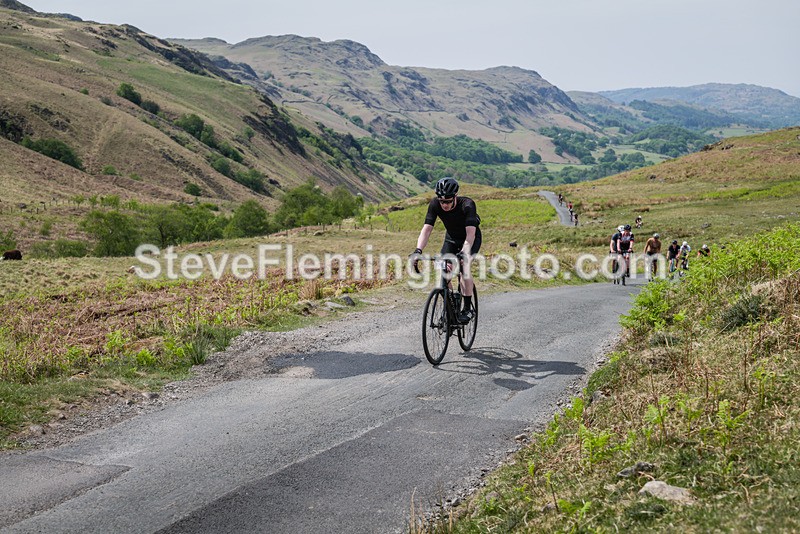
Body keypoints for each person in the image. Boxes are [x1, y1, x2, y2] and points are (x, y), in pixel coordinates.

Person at [412, 177, 481, 323]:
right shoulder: (434, 204)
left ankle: (467, 309)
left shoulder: (467, 205)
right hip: (451, 238)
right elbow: (427, 230)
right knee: (442, 267)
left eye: (448, 201)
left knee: (464, 267)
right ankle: (451, 300)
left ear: (455, 196)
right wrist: (418, 250)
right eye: (442, 201)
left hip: (470, 239)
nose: (444, 205)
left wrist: (464, 253)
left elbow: (470, 235)